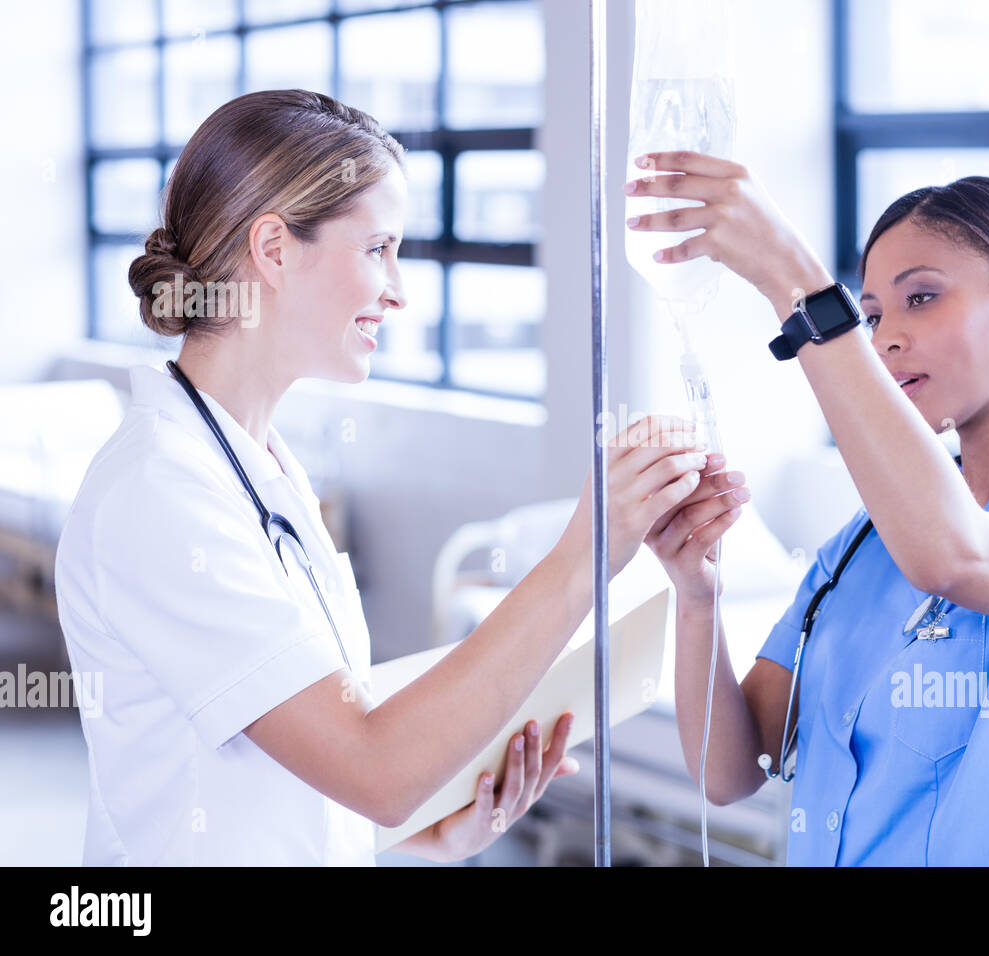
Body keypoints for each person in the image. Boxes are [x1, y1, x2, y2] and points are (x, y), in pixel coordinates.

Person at [53, 90, 714, 866]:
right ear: (273, 249)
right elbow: (372, 766)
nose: (399, 289)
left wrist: (434, 832)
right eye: (378, 249)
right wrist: (586, 554)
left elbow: (297, 762)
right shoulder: (160, 491)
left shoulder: (262, 470)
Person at [632, 153, 989, 865]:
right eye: (871, 315)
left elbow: (956, 556)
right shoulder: (864, 543)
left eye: (921, 298)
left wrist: (796, 281)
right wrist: (697, 597)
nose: (885, 338)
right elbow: (730, 773)